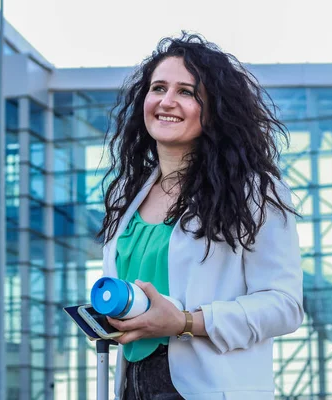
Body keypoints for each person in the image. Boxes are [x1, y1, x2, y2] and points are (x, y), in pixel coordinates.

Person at [97, 32, 303, 400]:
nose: (167, 101)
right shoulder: (130, 196)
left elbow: (284, 306)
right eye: (158, 88)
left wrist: (185, 322)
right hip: (134, 388)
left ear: (215, 110)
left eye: (187, 92)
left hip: (208, 388)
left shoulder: (253, 191)